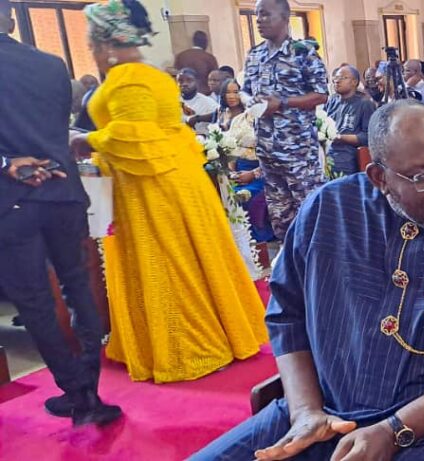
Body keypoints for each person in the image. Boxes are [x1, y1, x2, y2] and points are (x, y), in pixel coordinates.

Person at [193, 100, 424, 461]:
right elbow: (287, 314)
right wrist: (304, 412)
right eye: (423, 175)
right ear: (379, 177)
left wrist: (393, 430)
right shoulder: (326, 210)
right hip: (320, 413)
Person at [69, 0, 268, 383]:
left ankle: (190, 347)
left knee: (168, 264)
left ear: (106, 41)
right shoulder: (153, 76)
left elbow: (136, 135)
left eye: (92, 40)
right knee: (192, 259)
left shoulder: (129, 80)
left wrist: (86, 140)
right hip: (174, 179)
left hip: (152, 189)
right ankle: (219, 333)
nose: (91, 48)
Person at [0, 0, 121, 426]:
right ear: (12, 19)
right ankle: (89, 384)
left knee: (34, 301)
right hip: (64, 191)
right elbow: (57, 129)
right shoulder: (53, 66)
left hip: (11, 200)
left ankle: (75, 390)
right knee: (77, 287)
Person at [242, 0, 329, 239]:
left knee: (310, 210)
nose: (259, 20)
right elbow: (246, 89)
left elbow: (322, 94)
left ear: (284, 17)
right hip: (268, 149)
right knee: (280, 215)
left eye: (266, 15)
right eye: (257, 15)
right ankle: (289, 262)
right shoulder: (255, 54)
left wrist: (283, 103)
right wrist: (251, 100)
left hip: (298, 149)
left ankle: (318, 263)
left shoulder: (302, 52)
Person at [218, 78, 274, 243]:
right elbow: (232, 150)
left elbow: (275, 157)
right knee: (226, 194)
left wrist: (253, 174)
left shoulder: (272, 121)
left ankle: (257, 240)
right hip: (240, 169)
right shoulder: (238, 120)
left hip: (265, 172)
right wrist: (232, 174)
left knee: (244, 195)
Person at [324, 65, 375, 178]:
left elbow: (368, 136)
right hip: (326, 156)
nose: (337, 81)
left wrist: (340, 138)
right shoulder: (332, 100)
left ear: (354, 82)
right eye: (336, 78)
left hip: (348, 158)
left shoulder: (365, 103)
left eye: (342, 78)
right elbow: (322, 123)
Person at [173, 30, 218, 95]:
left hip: (184, 93)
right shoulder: (209, 58)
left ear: (193, 41)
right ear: (205, 42)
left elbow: (175, 74)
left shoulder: (181, 56)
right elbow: (215, 78)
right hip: (205, 93)